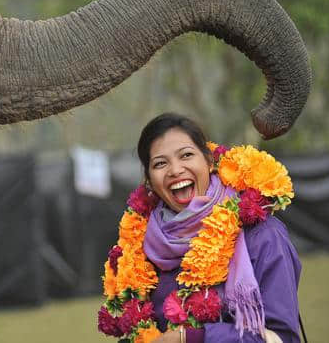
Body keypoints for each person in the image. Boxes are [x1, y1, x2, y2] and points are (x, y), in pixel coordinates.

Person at [98, 112, 301, 343]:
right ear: (149, 180)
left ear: (209, 161)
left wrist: (191, 338)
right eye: (160, 163)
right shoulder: (142, 248)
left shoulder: (262, 234)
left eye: (186, 155)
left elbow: (284, 338)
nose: (175, 170)